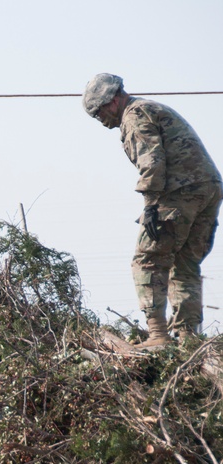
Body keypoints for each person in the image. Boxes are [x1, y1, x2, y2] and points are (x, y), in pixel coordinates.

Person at [83, 73, 222, 347]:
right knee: (185, 264)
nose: (102, 122)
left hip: (179, 191)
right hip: (209, 188)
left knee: (147, 261)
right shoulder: (152, 107)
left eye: (100, 114)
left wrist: (150, 206)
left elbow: (152, 160)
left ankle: (158, 335)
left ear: (112, 101)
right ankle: (188, 336)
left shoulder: (134, 115)